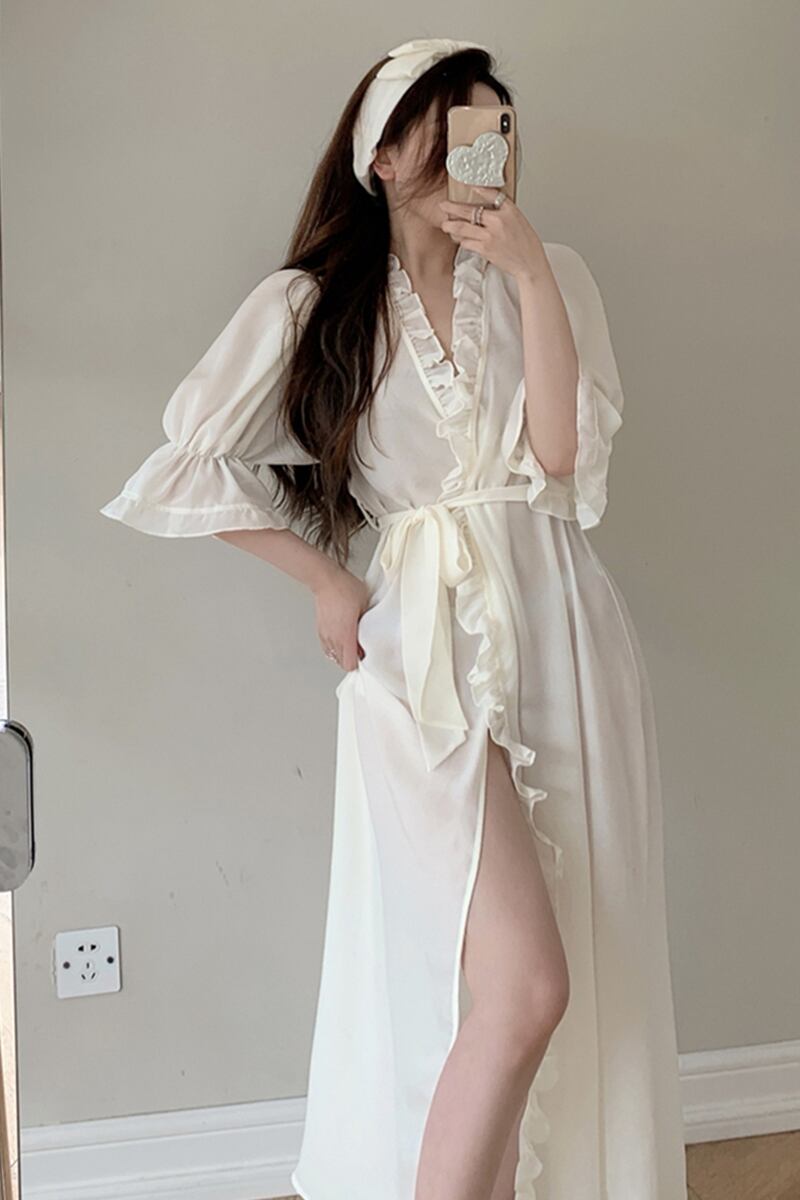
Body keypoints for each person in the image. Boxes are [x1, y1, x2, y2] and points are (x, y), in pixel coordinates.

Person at [100, 36, 688, 1200]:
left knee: (571, 955)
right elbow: (185, 465)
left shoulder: (549, 275)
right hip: (421, 651)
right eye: (445, 124)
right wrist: (328, 582)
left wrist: (528, 274)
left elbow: (557, 462)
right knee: (516, 986)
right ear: (379, 153)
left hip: (564, 629)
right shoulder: (310, 306)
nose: (475, 150)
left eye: (491, 128)